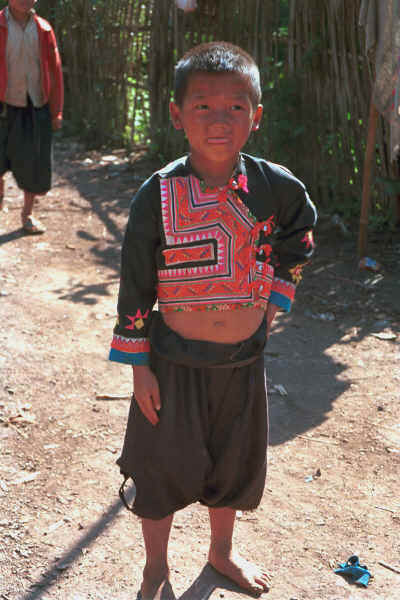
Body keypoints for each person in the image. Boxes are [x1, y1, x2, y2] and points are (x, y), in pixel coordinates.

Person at [110, 41, 317, 600]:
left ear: (256, 116)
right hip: (172, 362)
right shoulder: (157, 194)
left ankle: (221, 553)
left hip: (242, 361)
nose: (219, 119)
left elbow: (300, 236)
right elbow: (135, 282)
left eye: (235, 106)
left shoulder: (274, 187)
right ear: (177, 115)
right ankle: (157, 567)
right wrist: (139, 368)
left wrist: (277, 298)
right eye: (202, 105)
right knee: (160, 470)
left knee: (232, 463)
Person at [0, 0, 64, 234]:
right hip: (3, 104)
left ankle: (27, 215)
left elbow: (55, 73)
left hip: (33, 104)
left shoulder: (43, 30)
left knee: (33, 162)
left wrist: (56, 111)